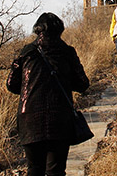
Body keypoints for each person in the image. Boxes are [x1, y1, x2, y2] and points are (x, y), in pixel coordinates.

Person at [7, 12, 90, 176]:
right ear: (60, 30)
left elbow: (11, 85)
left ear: (38, 30)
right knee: (55, 171)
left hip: (28, 118)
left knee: (34, 169)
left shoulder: (26, 52)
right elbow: (83, 84)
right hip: (59, 119)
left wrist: (29, 89)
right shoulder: (67, 52)